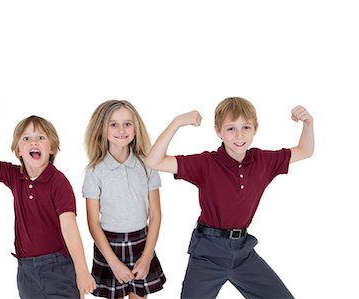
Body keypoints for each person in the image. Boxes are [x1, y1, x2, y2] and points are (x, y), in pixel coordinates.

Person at [145, 97, 314, 299]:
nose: (239, 135)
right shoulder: (206, 163)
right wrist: (177, 123)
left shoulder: (263, 161)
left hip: (243, 251)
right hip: (208, 252)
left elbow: (305, 151)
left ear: (255, 128)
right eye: (231, 129)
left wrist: (308, 123)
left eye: (246, 127)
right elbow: (153, 161)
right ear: (218, 131)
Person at [0, 89, 96, 299]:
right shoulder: (14, 176)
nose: (33, 142)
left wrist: (82, 271)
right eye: (26, 138)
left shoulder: (58, 182)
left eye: (40, 137)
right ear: (18, 150)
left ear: (52, 148)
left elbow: (69, 226)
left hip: (59, 268)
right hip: (26, 270)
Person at [82, 100, 167, 299]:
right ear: (102, 129)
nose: (121, 129)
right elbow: (93, 223)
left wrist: (146, 258)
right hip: (109, 247)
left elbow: (155, 215)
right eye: (113, 124)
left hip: (142, 244)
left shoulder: (148, 165)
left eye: (127, 123)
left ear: (136, 128)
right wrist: (113, 262)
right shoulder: (95, 172)